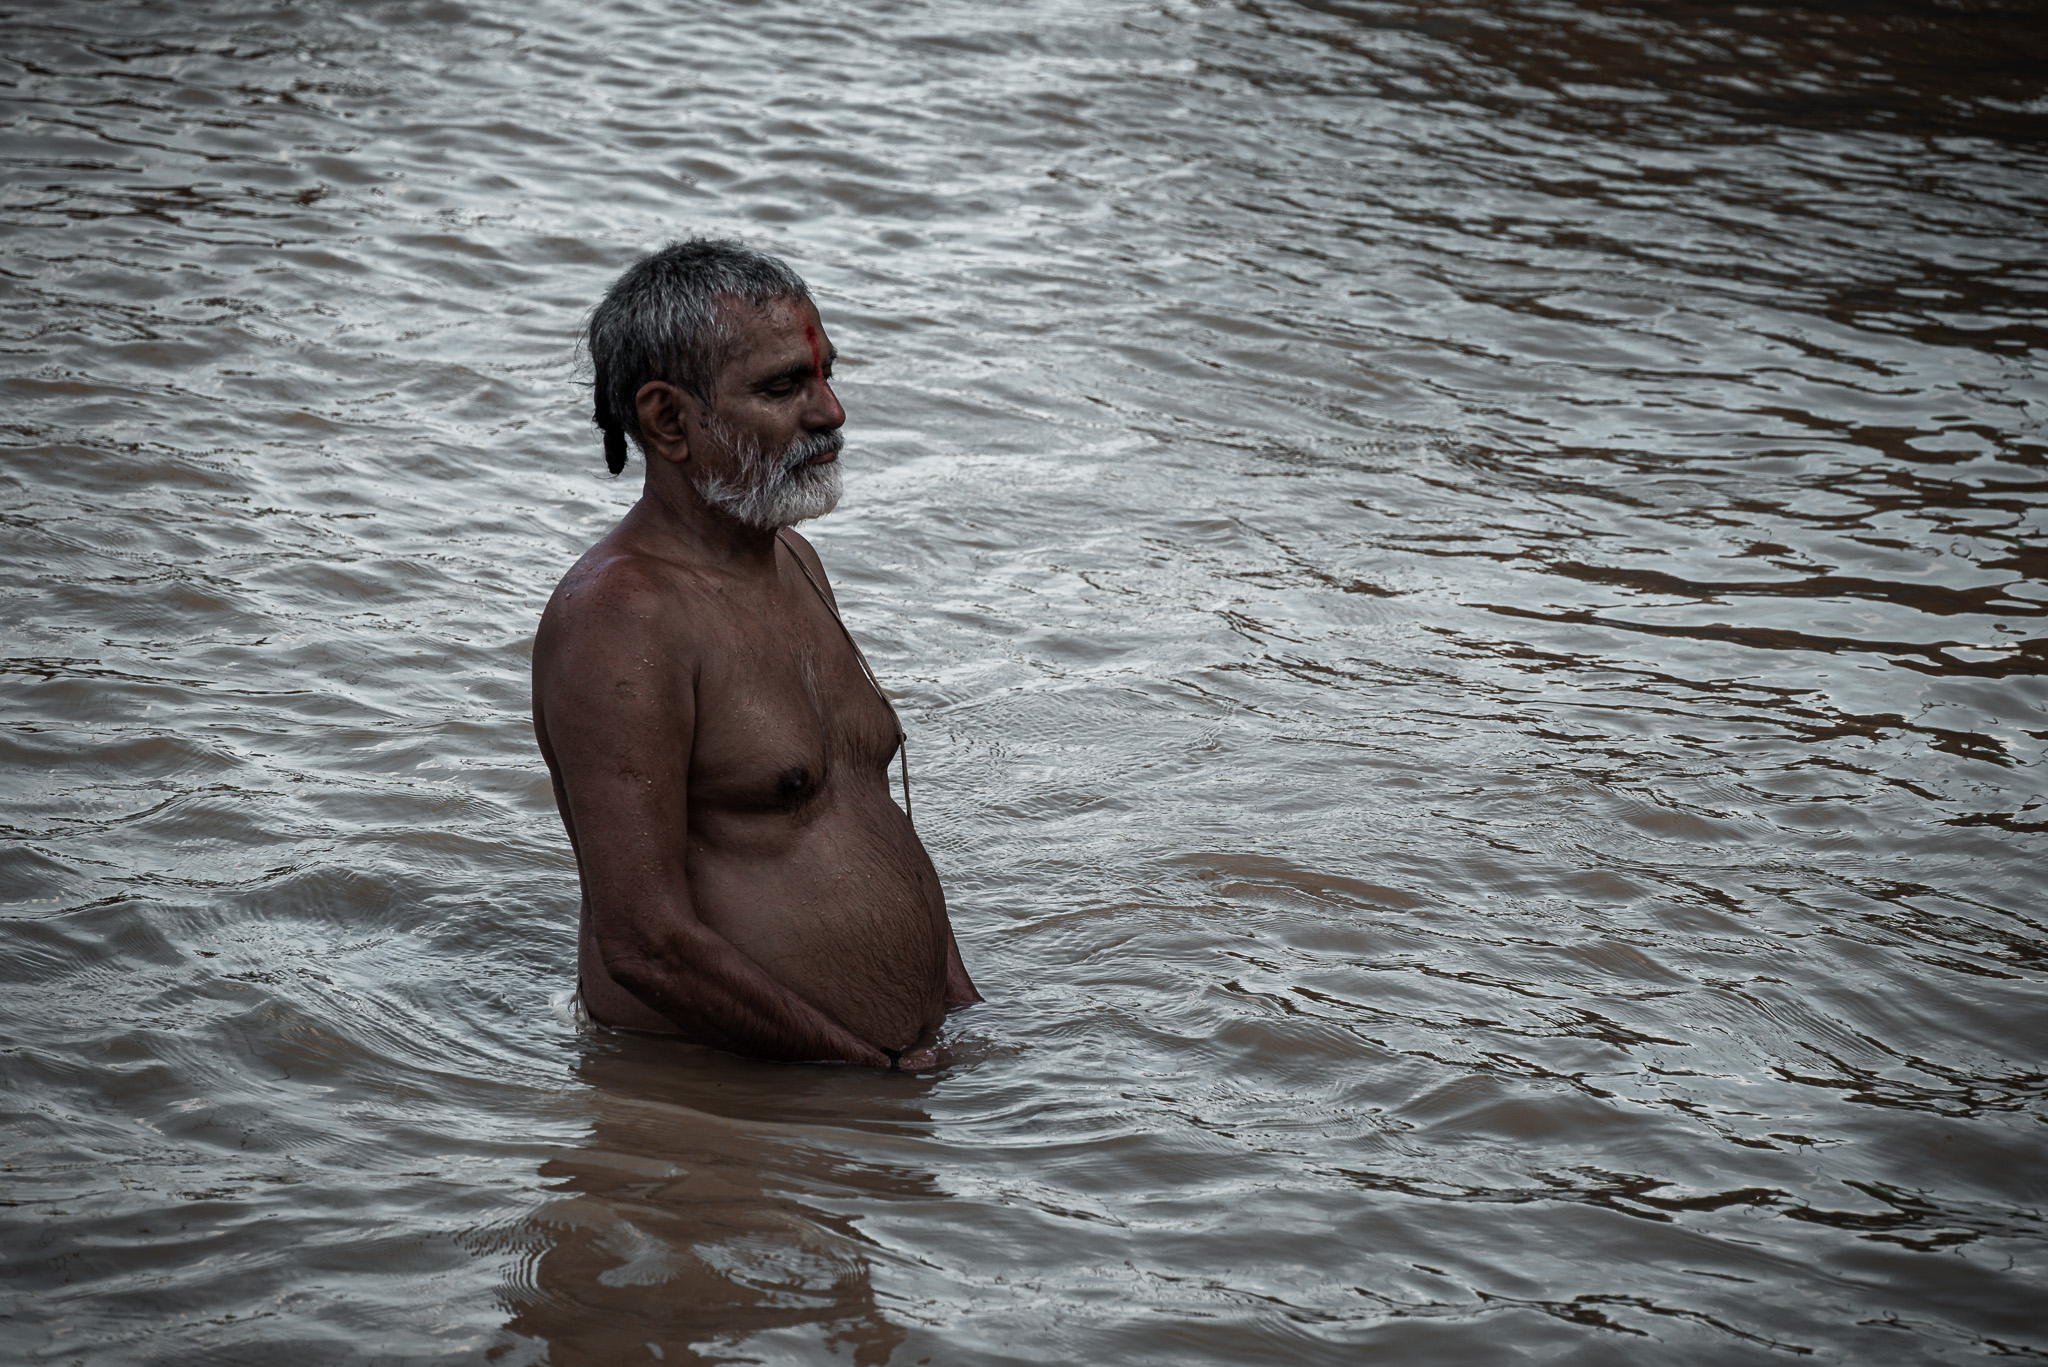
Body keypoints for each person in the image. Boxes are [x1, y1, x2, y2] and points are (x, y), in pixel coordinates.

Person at [532, 239, 979, 1070]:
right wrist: (863, 1069)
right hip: (721, 1104)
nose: (831, 412)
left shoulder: (794, 560)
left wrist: (959, 1009)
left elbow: (866, 812)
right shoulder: (620, 617)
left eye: (826, 375)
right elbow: (645, 943)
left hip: (870, 1083)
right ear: (668, 420)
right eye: (784, 388)